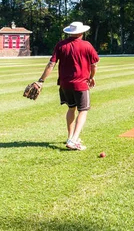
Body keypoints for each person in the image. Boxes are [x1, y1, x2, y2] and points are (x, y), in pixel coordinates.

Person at [35, 21, 99, 151]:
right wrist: (91, 77)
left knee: (71, 108)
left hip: (64, 84)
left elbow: (51, 64)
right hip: (81, 84)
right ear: (81, 32)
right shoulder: (87, 45)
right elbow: (94, 65)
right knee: (83, 110)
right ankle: (73, 140)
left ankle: (70, 137)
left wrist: (41, 80)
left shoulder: (61, 45)